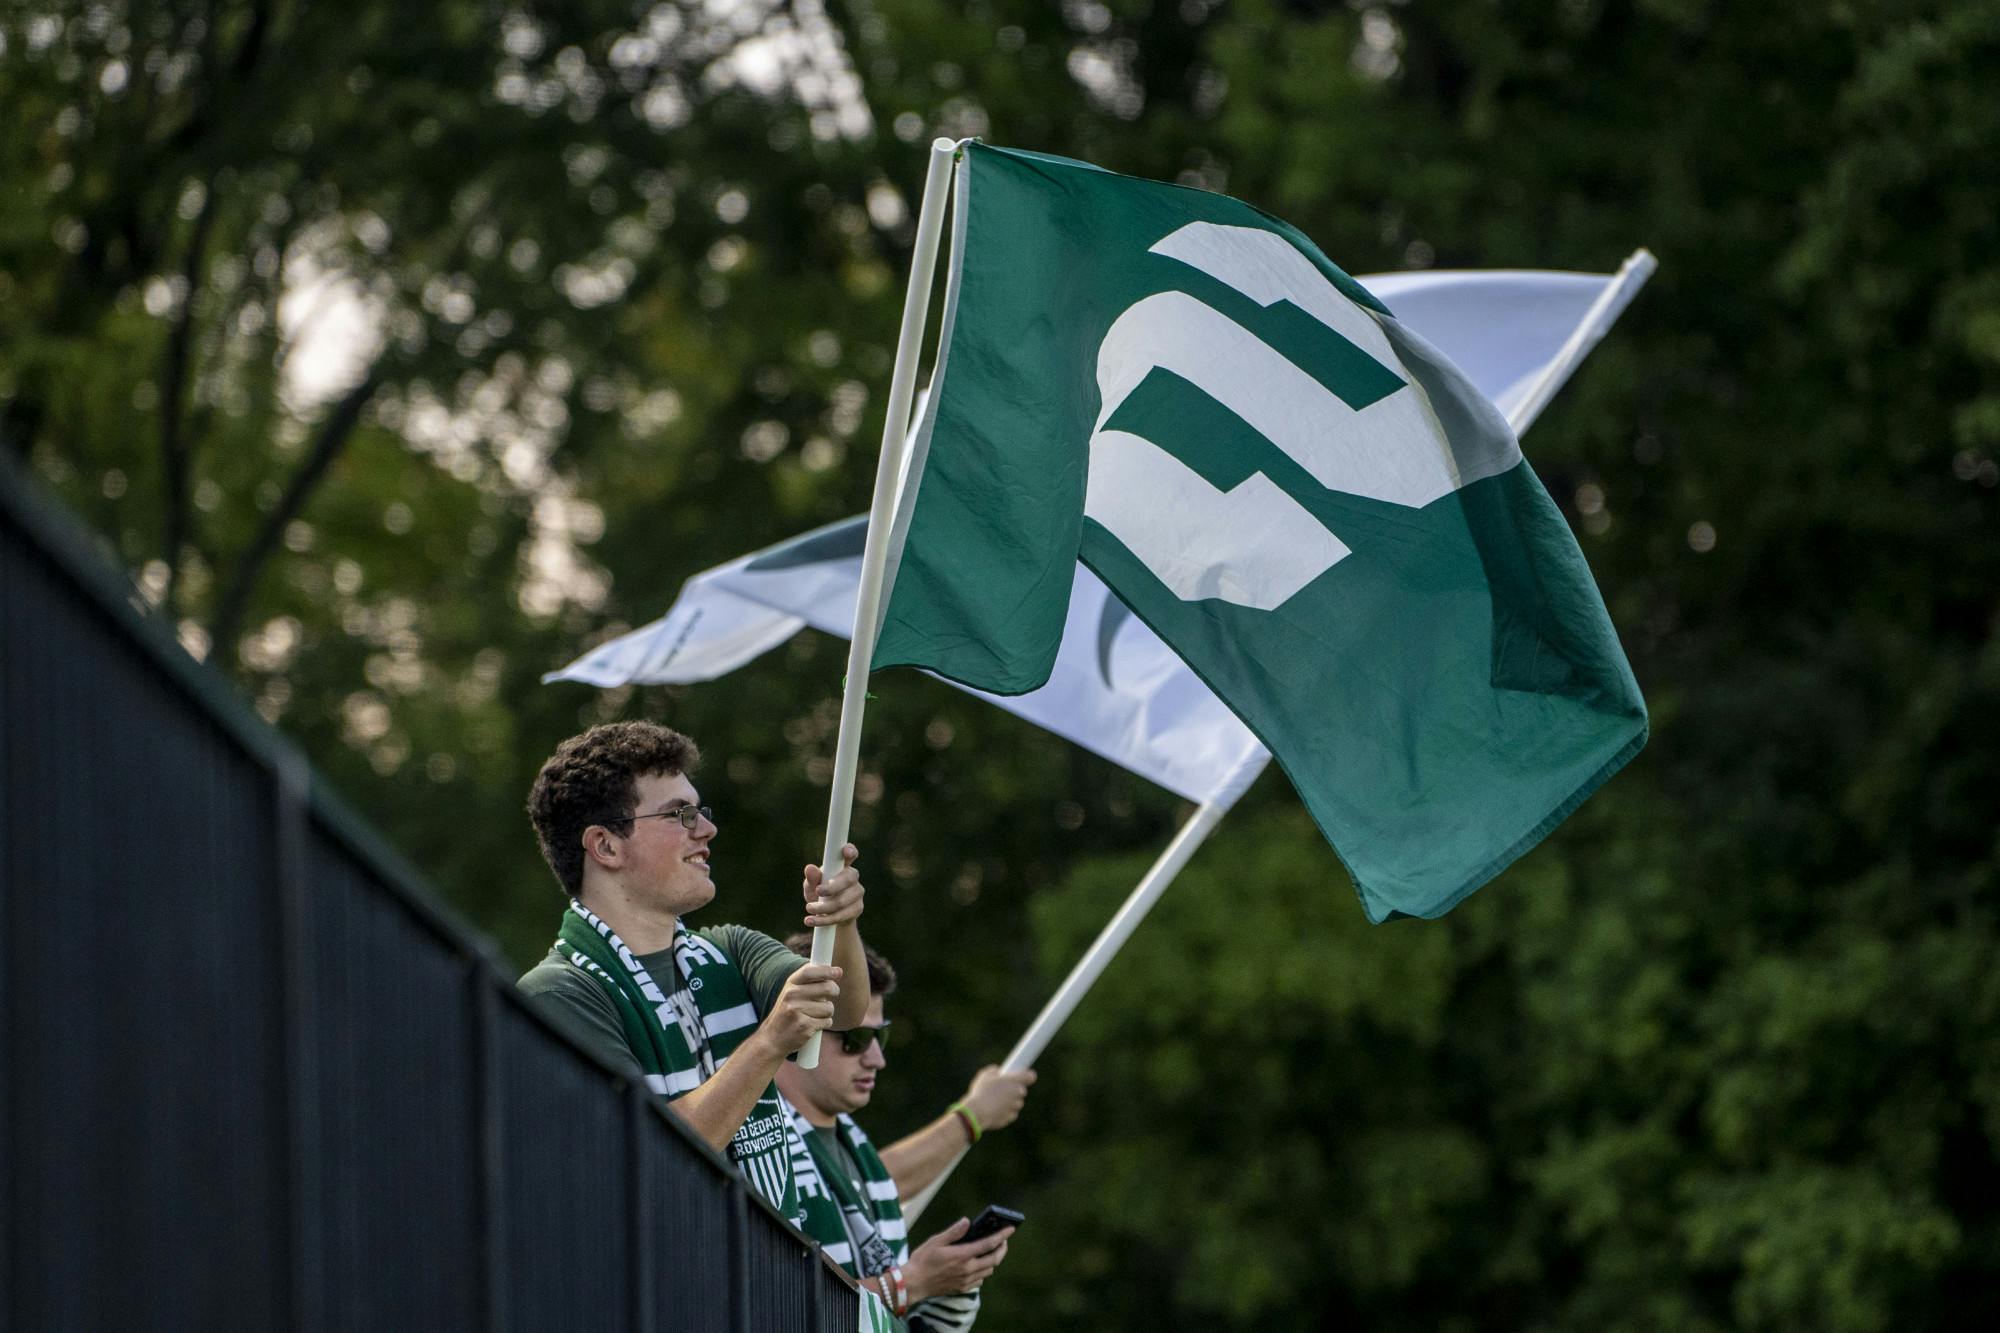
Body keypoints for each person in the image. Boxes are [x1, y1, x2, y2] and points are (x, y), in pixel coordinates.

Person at [516, 721, 872, 1225]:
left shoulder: (730, 949)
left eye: (699, 811)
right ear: (606, 846)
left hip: (761, 1291)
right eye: (678, 814)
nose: (706, 829)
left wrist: (843, 923)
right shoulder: (558, 993)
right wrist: (768, 1044)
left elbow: (846, 1009)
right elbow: (648, 1158)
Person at [773, 938, 1036, 1330]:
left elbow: (875, 1181)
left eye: (882, 1037)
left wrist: (946, 1289)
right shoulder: (758, 1137)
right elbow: (779, 1307)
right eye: (856, 1039)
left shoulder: (851, 1145)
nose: (877, 1058)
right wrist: (910, 1283)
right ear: (798, 1024)